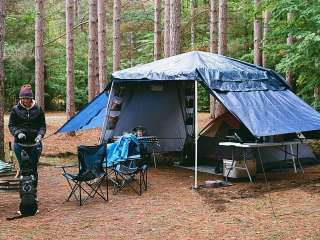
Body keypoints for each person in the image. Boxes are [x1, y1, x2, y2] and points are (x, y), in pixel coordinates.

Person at [8, 84, 46, 198]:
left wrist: (40, 135)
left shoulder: (38, 109)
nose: (25, 100)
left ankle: (33, 193)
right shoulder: (15, 109)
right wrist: (17, 133)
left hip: (35, 144)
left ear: (31, 98)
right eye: (23, 98)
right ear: (21, 98)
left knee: (33, 169)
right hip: (20, 144)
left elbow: (42, 126)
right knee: (24, 170)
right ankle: (24, 195)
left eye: (27, 98)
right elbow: (11, 125)